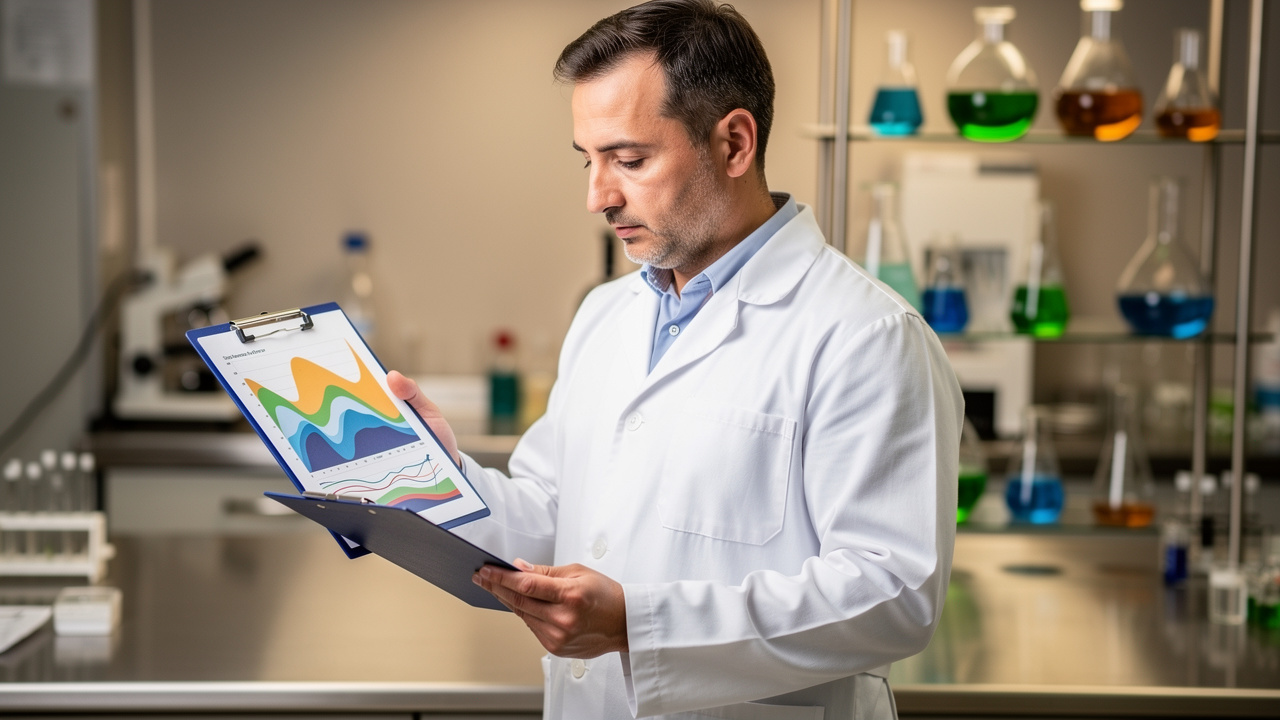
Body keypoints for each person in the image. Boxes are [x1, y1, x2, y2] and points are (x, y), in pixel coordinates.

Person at [387, 1, 962, 717]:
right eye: (590, 160)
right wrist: (440, 477)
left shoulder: (866, 334)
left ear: (734, 143)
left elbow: (895, 595)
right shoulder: (607, 313)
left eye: (629, 159)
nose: (597, 194)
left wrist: (638, 623)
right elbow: (554, 518)